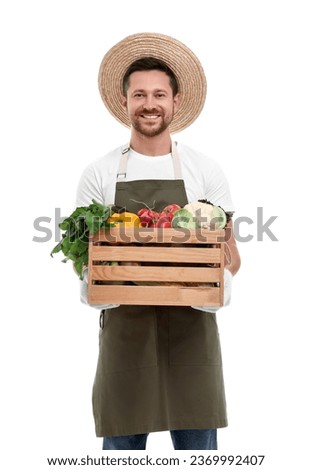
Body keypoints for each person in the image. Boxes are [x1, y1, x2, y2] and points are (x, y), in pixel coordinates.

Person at [76, 33, 241, 451]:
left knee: (199, 457)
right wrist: (91, 280)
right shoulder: (99, 173)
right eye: (139, 94)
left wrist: (217, 273)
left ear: (176, 101)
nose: (149, 104)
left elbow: (233, 257)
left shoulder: (206, 170)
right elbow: (83, 255)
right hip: (124, 337)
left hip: (193, 334)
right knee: (121, 456)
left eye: (159, 94)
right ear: (124, 102)